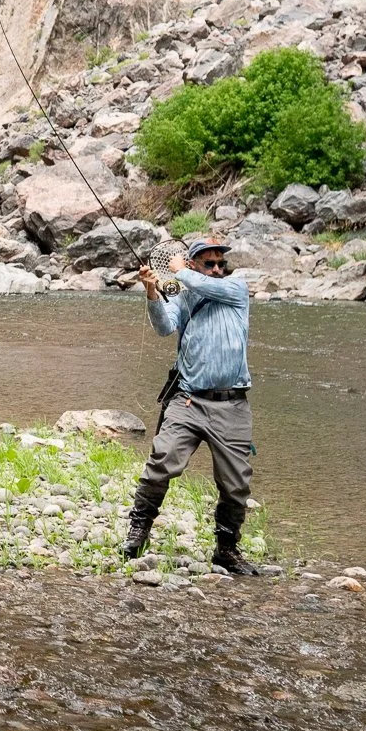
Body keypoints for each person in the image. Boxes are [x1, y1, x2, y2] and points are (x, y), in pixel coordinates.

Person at [122, 238, 262, 577]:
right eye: (209, 263)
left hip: (232, 404)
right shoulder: (185, 298)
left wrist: (181, 271)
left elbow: (197, 281)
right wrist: (153, 293)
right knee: (161, 462)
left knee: (236, 485)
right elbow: (163, 327)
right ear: (196, 263)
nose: (217, 269)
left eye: (220, 264)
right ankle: (138, 531)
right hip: (188, 400)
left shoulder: (235, 289)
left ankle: (226, 550)